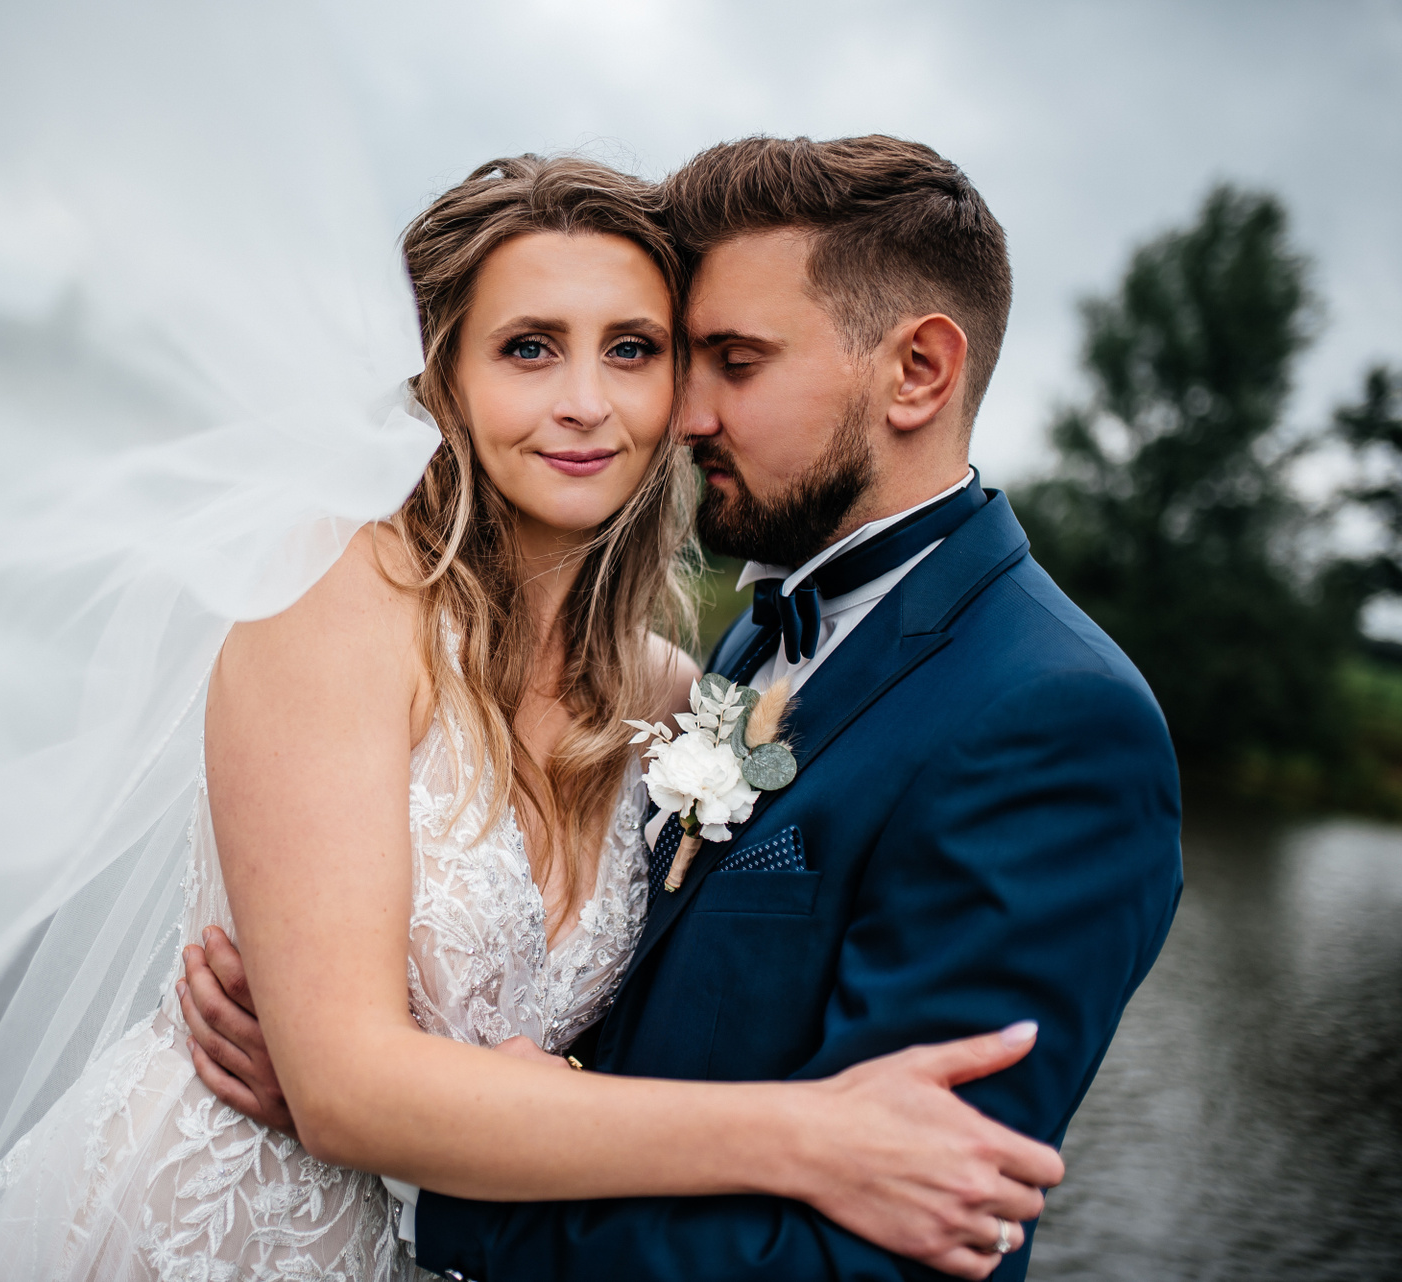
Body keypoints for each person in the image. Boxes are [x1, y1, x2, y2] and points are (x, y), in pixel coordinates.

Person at [0, 154, 1062, 1282]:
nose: (585, 400)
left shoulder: (678, 695)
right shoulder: (335, 598)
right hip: (198, 1228)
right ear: (446, 378)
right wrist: (811, 1135)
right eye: (529, 348)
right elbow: (342, 1090)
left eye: (633, 349)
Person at [181, 136, 1185, 1281]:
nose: (679, 414)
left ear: (917, 372)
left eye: (730, 362)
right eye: (681, 358)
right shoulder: (745, 648)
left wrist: (412, 1164)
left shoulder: (1054, 720)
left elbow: (890, 1243)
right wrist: (383, 1086)